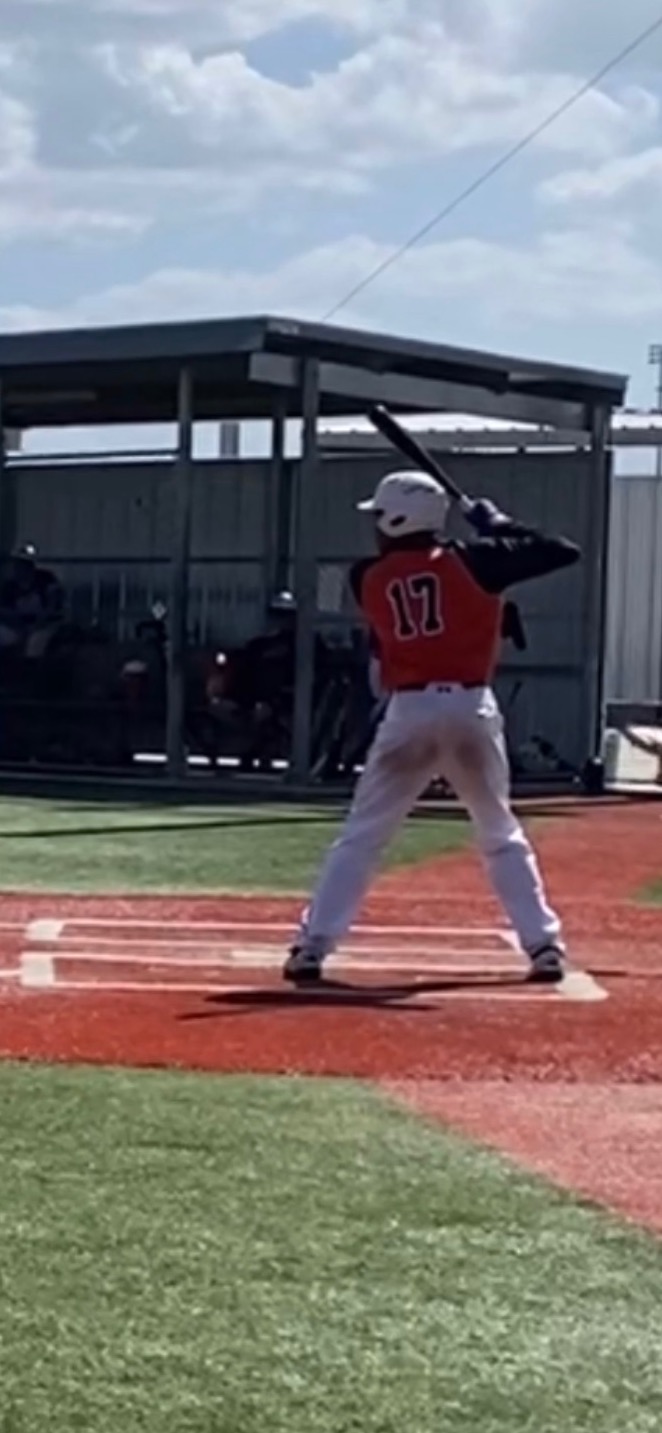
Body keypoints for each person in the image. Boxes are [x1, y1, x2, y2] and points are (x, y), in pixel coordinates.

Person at [283, 469, 580, 988]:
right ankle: (542, 945)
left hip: (410, 712)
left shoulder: (366, 576)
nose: (375, 526)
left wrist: (487, 544)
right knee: (500, 832)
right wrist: (499, 527)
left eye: (381, 516)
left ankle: (314, 945)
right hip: (470, 708)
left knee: (362, 836)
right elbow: (560, 551)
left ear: (401, 519)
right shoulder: (478, 560)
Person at [0, 544, 64, 658]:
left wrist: (37, 624)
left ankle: (32, 667)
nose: (19, 568)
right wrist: (18, 626)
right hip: (17, 627)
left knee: (35, 643)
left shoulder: (46, 578)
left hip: (46, 626)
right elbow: (5, 611)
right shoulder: (10, 586)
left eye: (24, 564)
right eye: (17, 564)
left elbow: (53, 604)